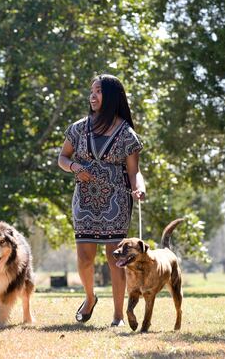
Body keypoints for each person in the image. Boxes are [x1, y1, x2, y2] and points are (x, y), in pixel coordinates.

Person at [58, 74, 146, 327]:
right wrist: (74, 166)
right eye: (91, 91)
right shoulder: (77, 128)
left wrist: (138, 189)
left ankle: (118, 315)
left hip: (116, 203)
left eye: (98, 91)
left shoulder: (127, 134)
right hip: (84, 202)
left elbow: (134, 172)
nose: (92, 96)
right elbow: (62, 158)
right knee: (85, 258)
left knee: (114, 258)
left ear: (111, 96)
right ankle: (89, 298)